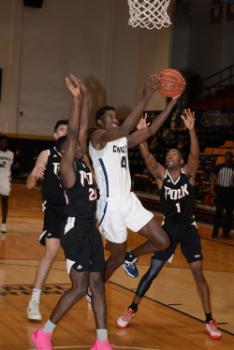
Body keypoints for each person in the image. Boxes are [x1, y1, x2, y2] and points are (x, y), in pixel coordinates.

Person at [117, 109, 221, 340]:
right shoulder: (161, 176)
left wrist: (192, 130)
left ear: (181, 161)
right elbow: (147, 157)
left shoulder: (189, 174)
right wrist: (143, 133)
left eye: (175, 154)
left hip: (189, 229)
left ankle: (209, 319)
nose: (170, 156)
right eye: (169, 154)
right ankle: (132, 309)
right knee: (152, 273)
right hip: (169, 228)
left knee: (199, 275)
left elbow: (195, 154)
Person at [32, 74, 111, 350]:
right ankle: (44, 333)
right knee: (79, 288)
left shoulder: (81, 159)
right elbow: (76, 130)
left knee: (98, 284)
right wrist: (75, 100)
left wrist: (86, 96)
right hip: (75, 229)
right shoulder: (67, 169)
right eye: (74, 144)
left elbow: (82, 130)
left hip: (90, 228)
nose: (80, 145)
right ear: (66, 151)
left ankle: (102, 342)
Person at [89, 76, 181, 281]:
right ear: (100, 122)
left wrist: (173, 103)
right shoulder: (97, 137)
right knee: (116, 258)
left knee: (162, 241)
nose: (115, 119)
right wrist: (146, 96)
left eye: (115, 116)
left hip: (128, 200)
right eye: (110, 117)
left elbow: (151, 130)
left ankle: (133, 256)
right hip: (111, 205)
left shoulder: (122, 139)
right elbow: (122, 129)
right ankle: (95, 288)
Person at [27, 119, 68, 320]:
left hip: (73, 208)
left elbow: (91, 180)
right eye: (61, 130)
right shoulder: (47, 154)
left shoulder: (76, 154)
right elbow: (30, 183)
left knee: (76, 252)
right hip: (53, 207)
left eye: (68, 130)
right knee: (51, 251)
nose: (64, 132)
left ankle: (85, 290)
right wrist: (34, 176)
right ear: (54, 135)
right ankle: (34, 301)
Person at [210, 151, 234, 239]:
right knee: (218, 213)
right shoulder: (219, 167)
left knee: (229, 214)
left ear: (232, 158)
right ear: (224, 157)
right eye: (226, 156)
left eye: (229, 157)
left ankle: (225, 233)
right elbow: (213, 177)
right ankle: (215, 232)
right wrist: (212, 189)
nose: (228, 158)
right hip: (220, 191)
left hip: (230, 192)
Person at [0, 135, 14, 233]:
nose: (4, 143)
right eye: (2, 141)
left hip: (5, 179)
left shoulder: (11, 154)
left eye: (5, 142)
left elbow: (10, 166)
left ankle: (4, 223)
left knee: (4, 202)